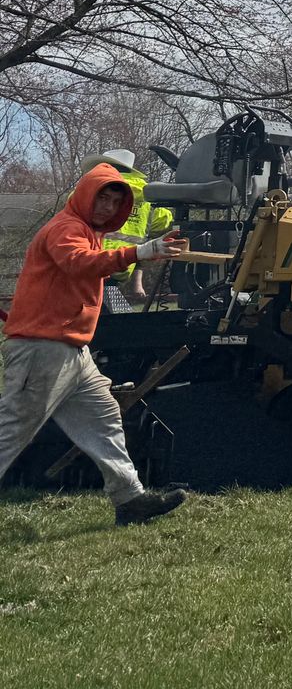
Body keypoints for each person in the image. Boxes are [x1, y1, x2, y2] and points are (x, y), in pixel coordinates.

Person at [0, 162, 189, 524]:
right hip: (44, 349)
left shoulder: (90, 231)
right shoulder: (66, 228)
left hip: (72, 350)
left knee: (104, 418)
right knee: (11, 430)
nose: (106, 207)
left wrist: (151, 248)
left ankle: (130, 499)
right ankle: (130, 498)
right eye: (102, 198)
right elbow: (79, 263)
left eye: (114, 202)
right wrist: (142, 253)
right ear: (86, 195)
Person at [92, 149, 174, 305]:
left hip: (93, 265)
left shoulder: (97, 190)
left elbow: (74, 204)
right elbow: (165, 220)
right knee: (113, 316)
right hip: (120, 270)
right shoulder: (148, 199)